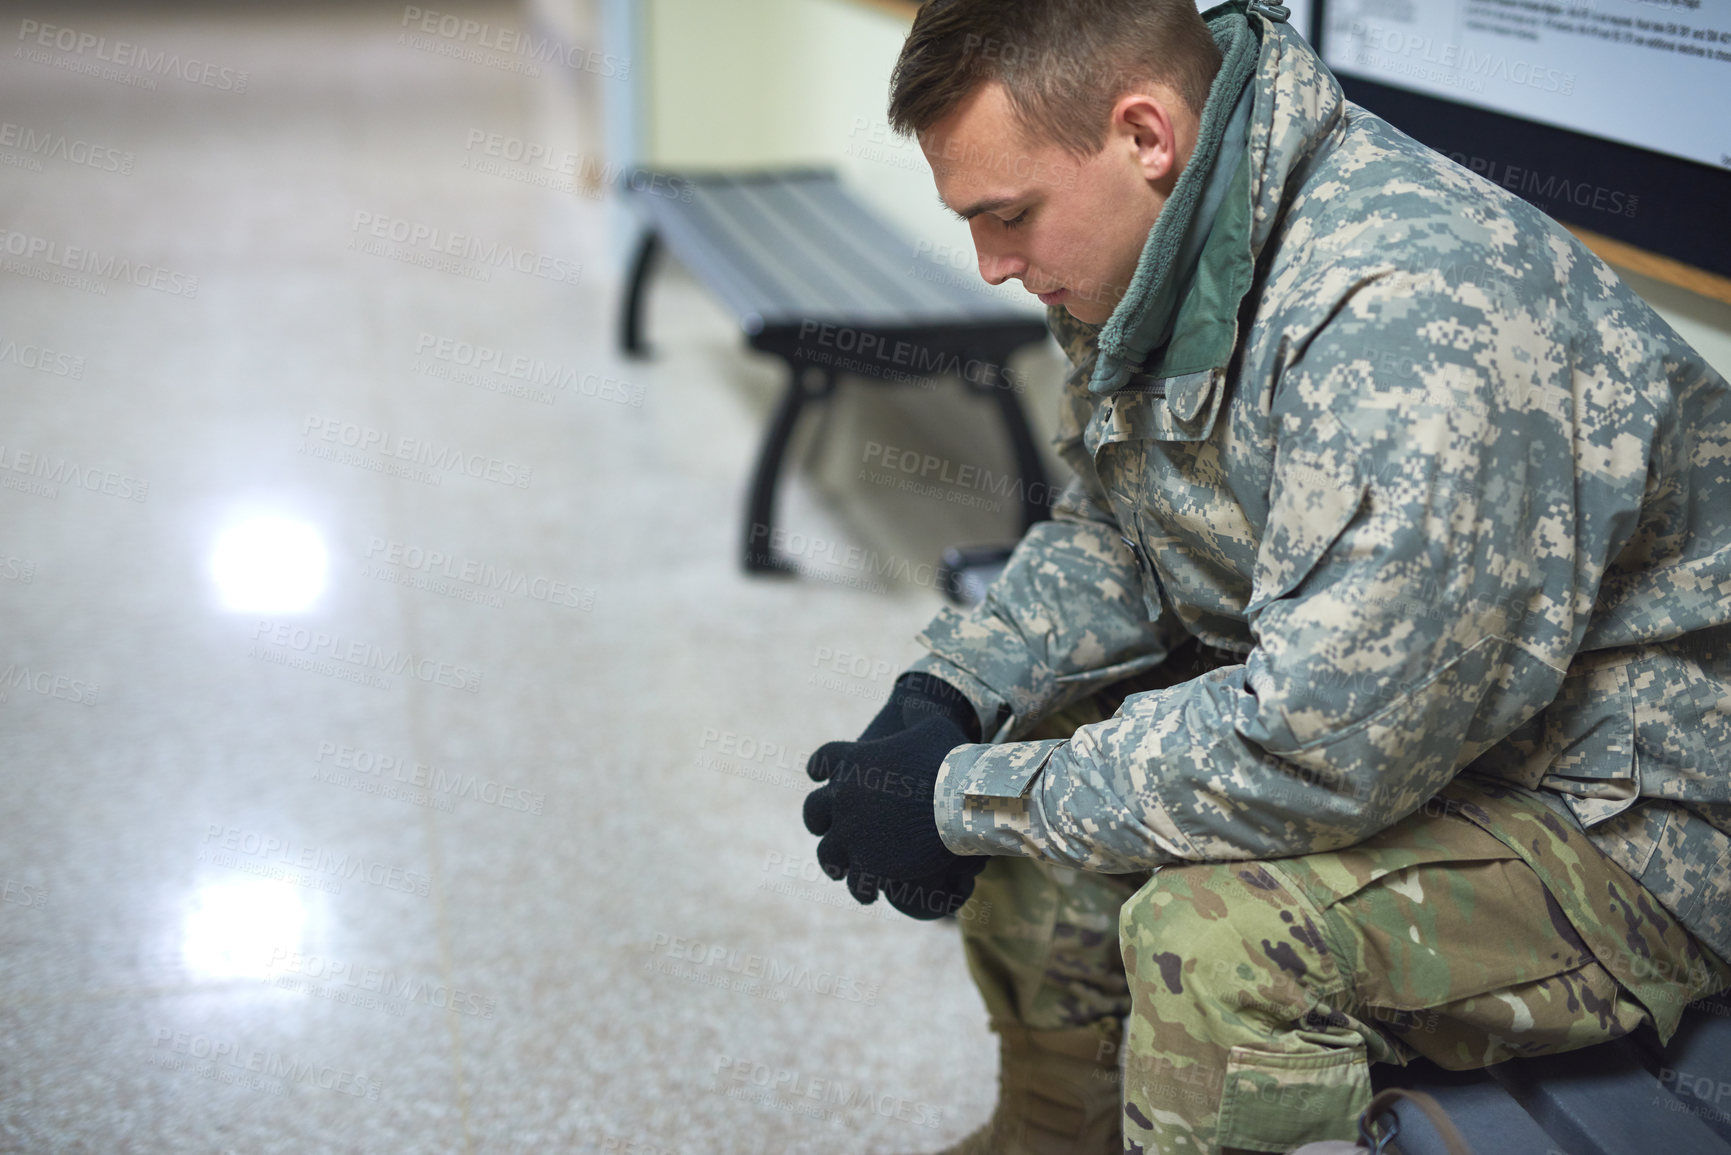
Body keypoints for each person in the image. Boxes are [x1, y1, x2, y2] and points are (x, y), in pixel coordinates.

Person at [799, 1, 1731, 1152]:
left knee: (1226, 939)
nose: (995, 267)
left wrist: (962, 801)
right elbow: (1126, 529)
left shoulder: (1402, 311)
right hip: (1431, 729)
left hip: (1631, 816)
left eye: (1011, 217)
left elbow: (1319, 749)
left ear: (1146, 135)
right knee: (1041, 764)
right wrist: (949, 696)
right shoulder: (1154, 248)